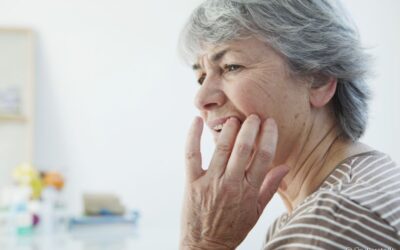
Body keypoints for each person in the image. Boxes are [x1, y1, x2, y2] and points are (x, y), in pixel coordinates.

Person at [178, 0, 400, 249]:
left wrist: (205, 241)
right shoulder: (358, 188)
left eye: (231, 66)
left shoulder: (332, 222)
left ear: (319, 79)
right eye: (201, 77)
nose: (201, 99)